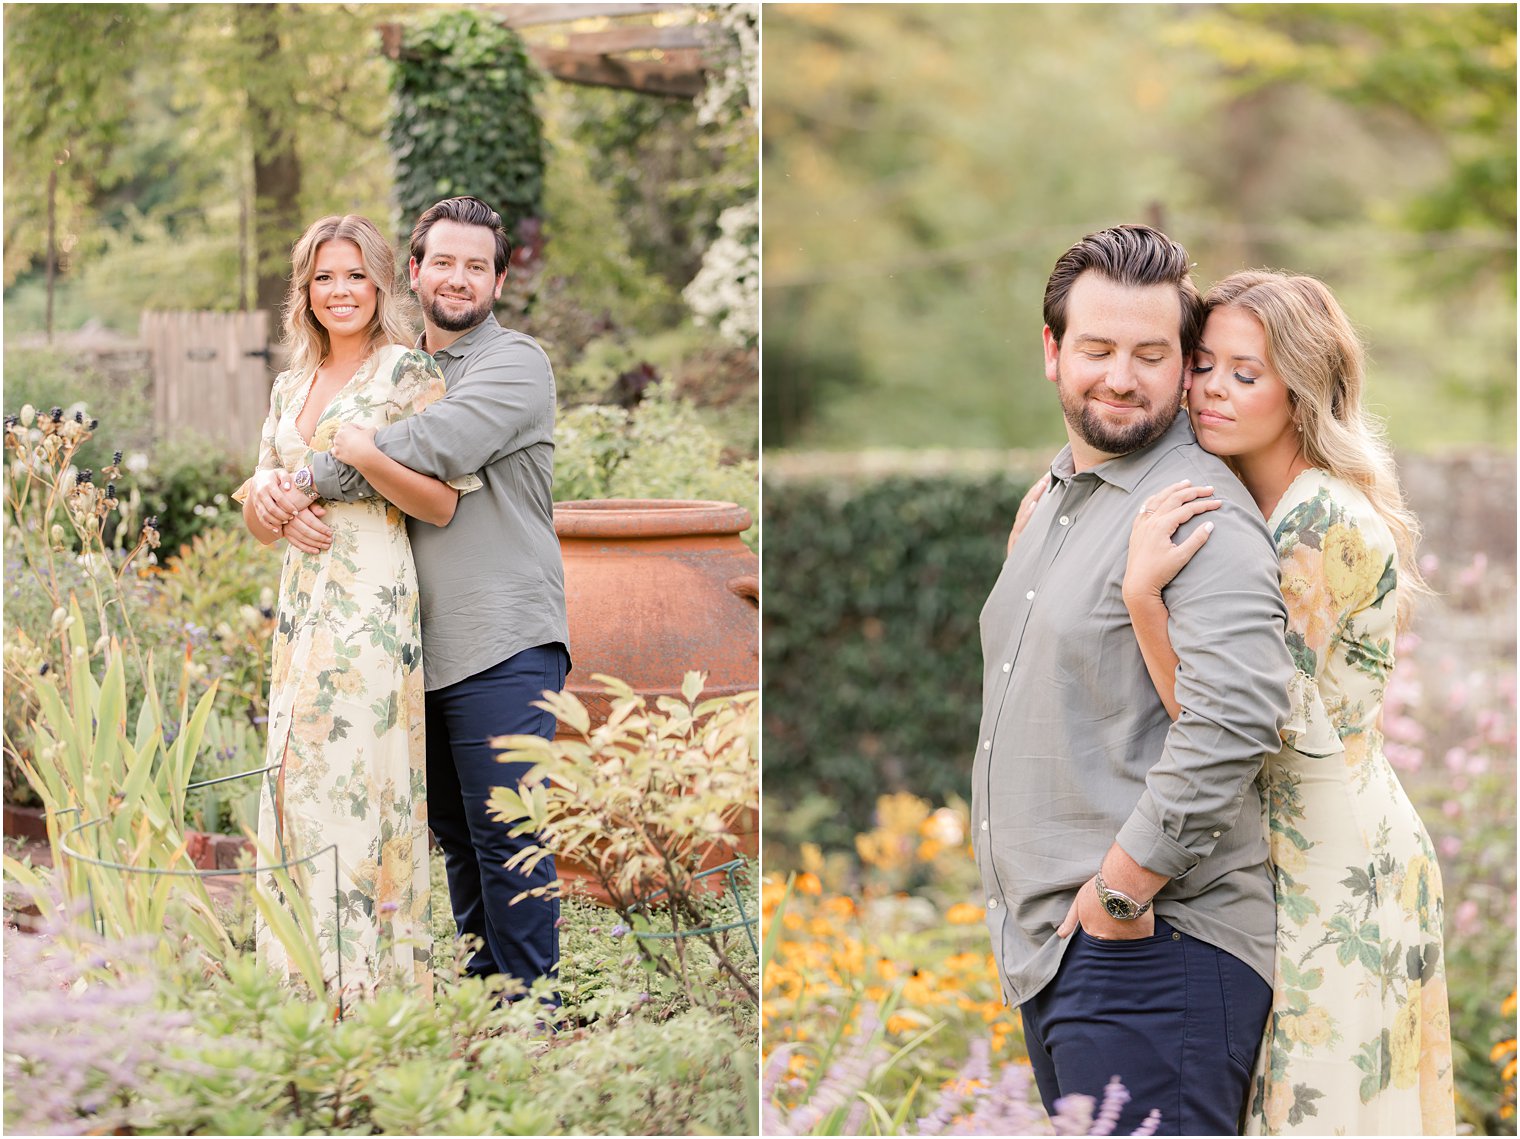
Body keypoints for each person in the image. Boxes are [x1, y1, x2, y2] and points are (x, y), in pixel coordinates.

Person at [973, 224, 1295, 1135]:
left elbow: (1234, 722)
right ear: (1052, 351)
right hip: (1070, 957)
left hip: (1158, 951)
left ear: (1181, 364)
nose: (1122, 375)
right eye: (1098, 348)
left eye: (1152, 353)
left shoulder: (1195, 515)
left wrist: (1117, 896)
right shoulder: (1057, 502)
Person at [1117, 270, 1456, 1134]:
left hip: (1338, 864)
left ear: (1299, 387)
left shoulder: (1316, 520)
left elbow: (1239, 718)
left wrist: (1144, 603)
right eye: (1204, 364)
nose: (1212, 390)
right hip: (1293, 847)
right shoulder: (1254, 503)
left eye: (1246, 372)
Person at [247, 196, 571, 1001]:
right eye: (444, 262)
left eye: (477, 264)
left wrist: (301, 476)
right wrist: (262, 494)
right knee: (454, 835)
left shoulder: (513, 364)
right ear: (417, 272)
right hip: (395, 639)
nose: (459, 277)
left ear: (500, 277)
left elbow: (437, 447)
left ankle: (536, 1011)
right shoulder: (386, 365)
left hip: (500, 634)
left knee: (508, 828)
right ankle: (486, 996)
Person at [236, 213, 479, 999]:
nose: (340, 292)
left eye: (354, 276)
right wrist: (270, 503)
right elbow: (253, 499)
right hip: (301, 606)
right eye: (323, 278)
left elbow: (441, 504)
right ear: (303, 291)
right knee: (293, 774)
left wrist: (365, 461)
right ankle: (301, 976)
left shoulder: (407, 375)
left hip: (370, 598)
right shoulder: (288, 385)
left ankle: (365, 982)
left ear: (381, 284)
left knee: (349, 773)